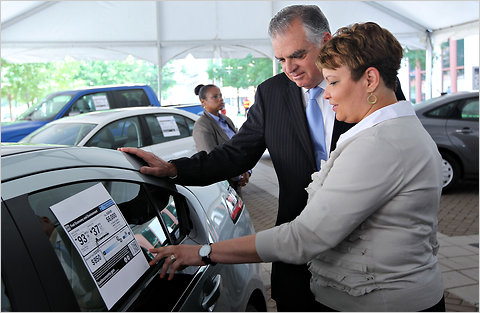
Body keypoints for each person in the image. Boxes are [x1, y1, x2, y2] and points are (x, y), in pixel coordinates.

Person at [142, 22, 445, 312]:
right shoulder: (274, 93)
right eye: (281, 59)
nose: (288, 68)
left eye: (298, 55)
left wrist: (202, 252)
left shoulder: (380, 133)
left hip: (368, 289)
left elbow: (306, 236)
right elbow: (236, 153)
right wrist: (174, 169)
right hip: (311, 271)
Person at [192, 84, 250, 194]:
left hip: (237, 179)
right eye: (215, 97)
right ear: (203, 101)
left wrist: (246, 170)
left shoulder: (226, 120)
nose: (220, 99)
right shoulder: (202, 125)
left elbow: (239, 147)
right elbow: (211, 158)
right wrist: (238, 175)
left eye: (221, 96)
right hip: (224, 185)